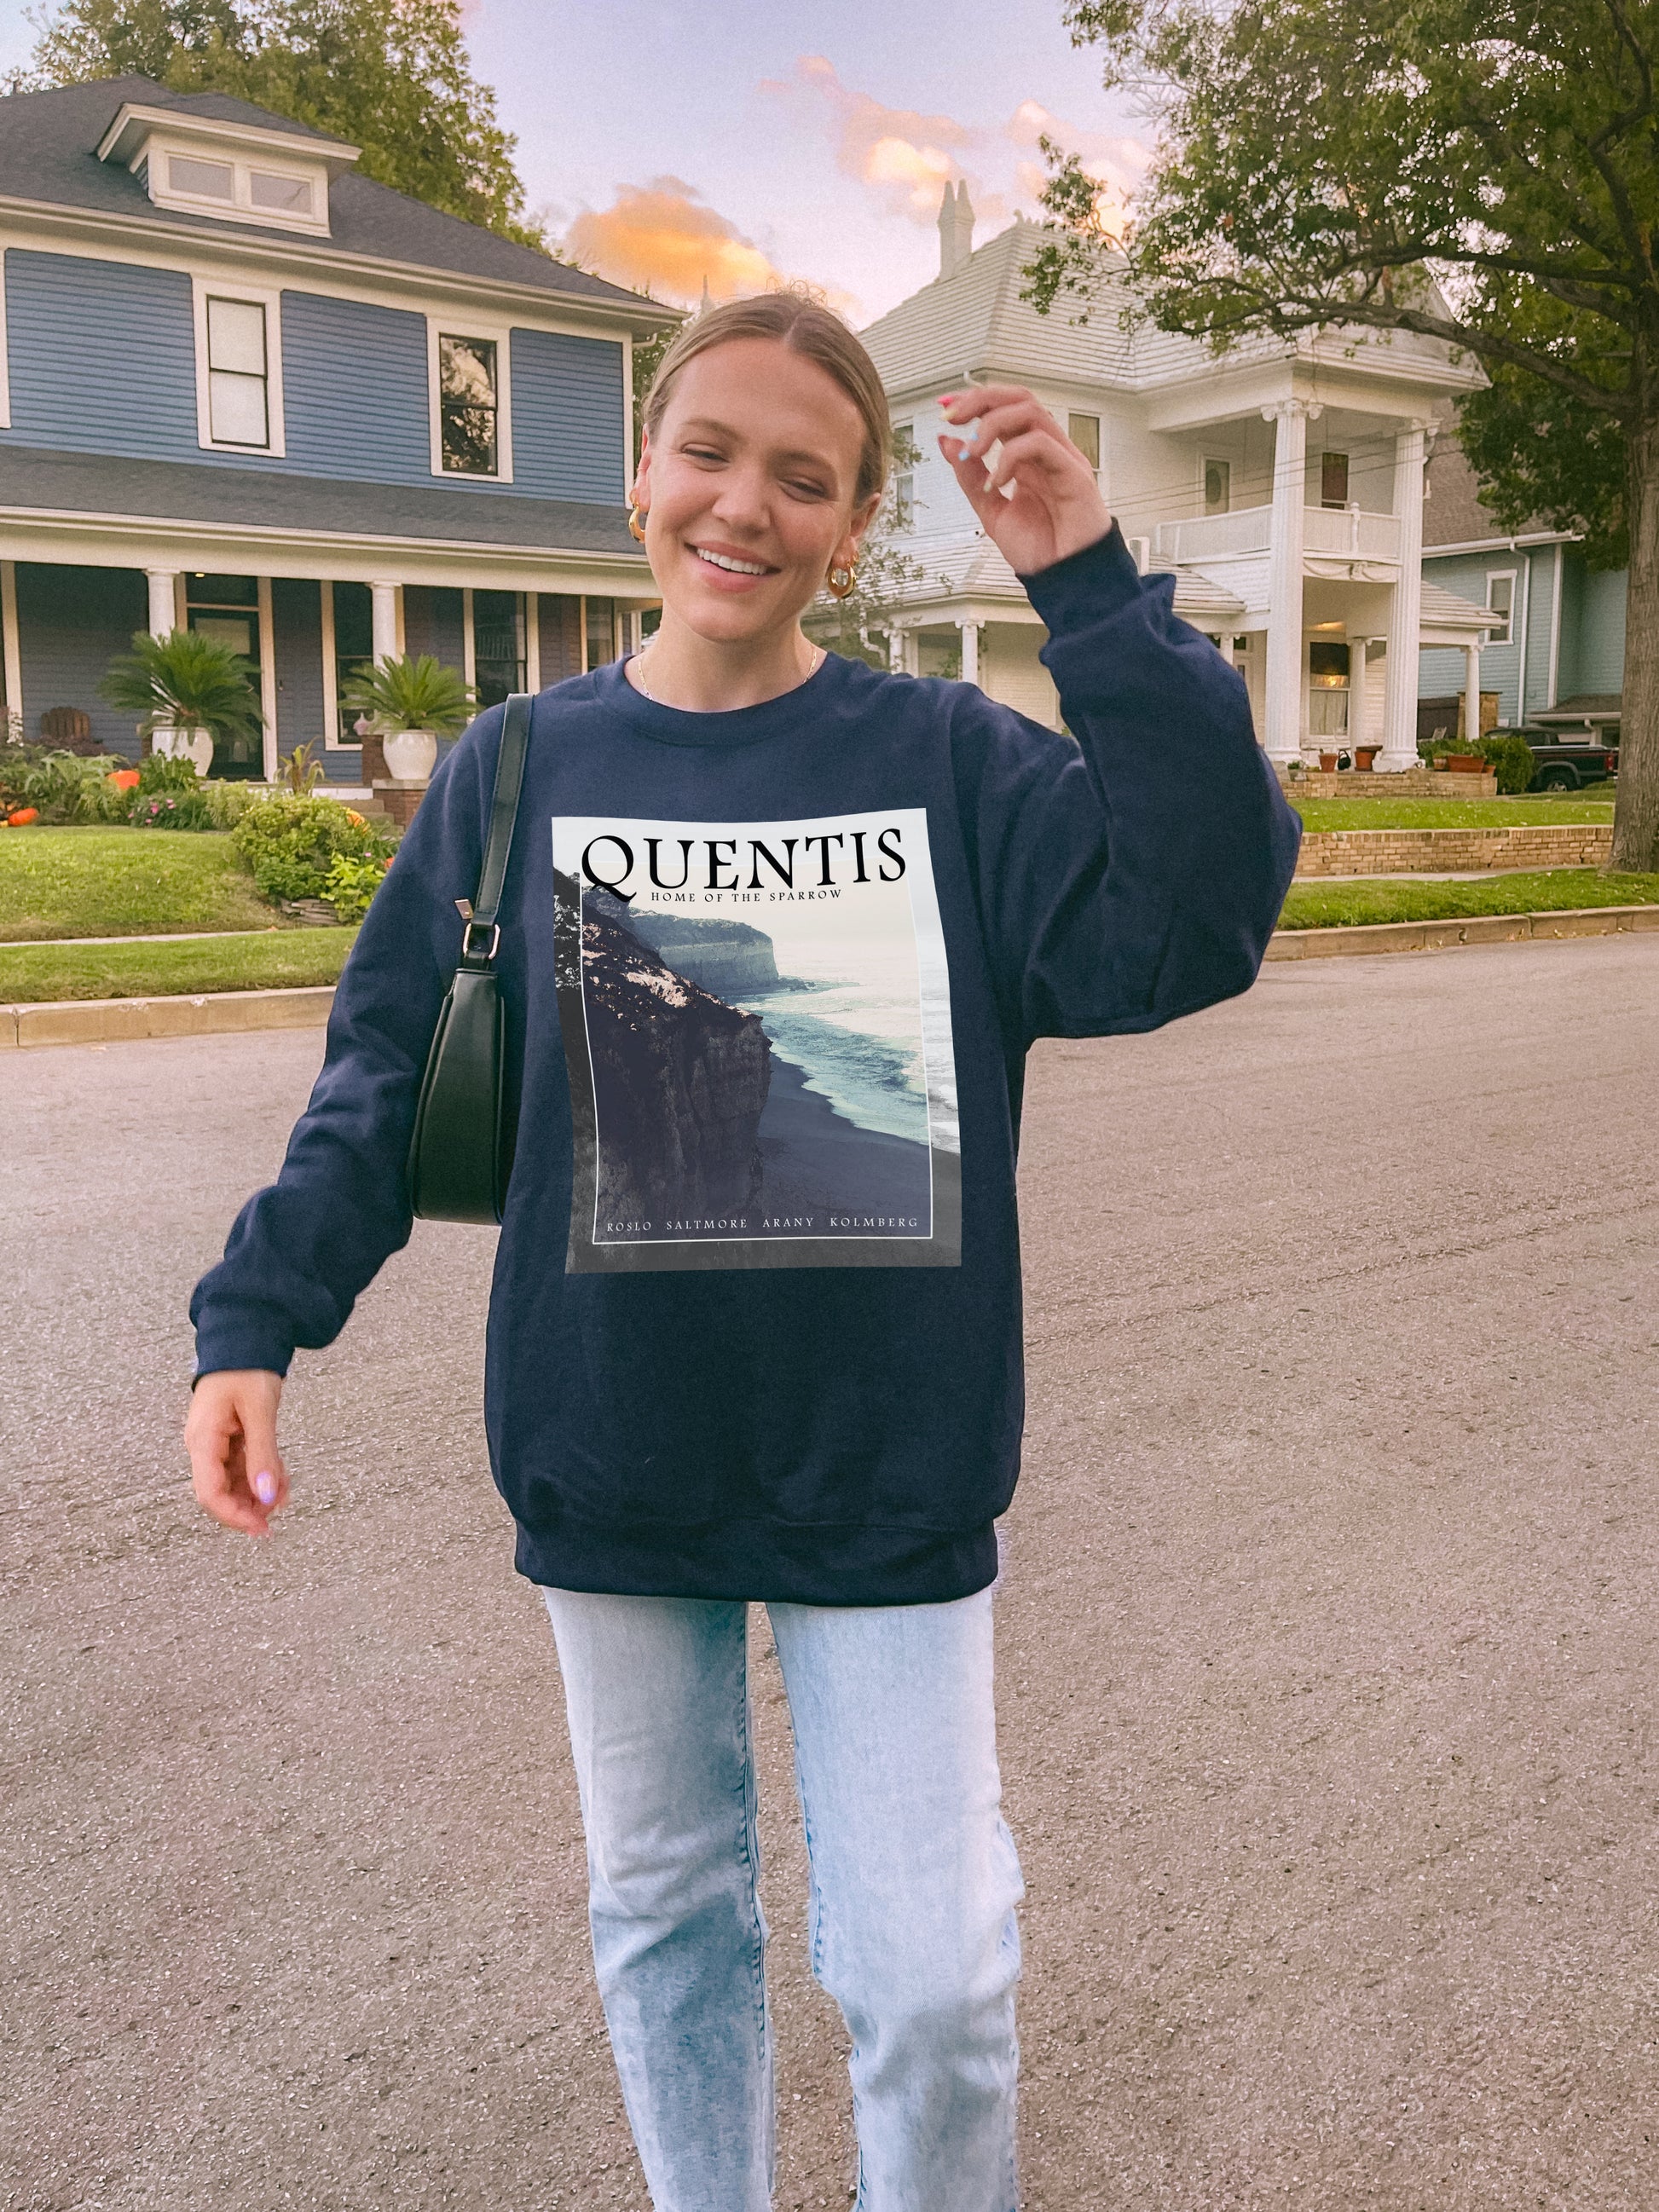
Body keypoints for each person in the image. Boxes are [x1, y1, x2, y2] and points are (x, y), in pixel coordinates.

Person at [186, 291, 1301, 2212]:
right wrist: (253, 1319)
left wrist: (1091, 589)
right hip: (614, 1444)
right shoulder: (516, 768)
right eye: (706, 452)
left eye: (803, 477)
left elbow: (1197, 912)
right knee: (665, 1911)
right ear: (640, 477)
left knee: (936, 1981)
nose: (742, 505)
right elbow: (380, 1072)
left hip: (887, 1459)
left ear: (852, 531)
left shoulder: (948, 758)